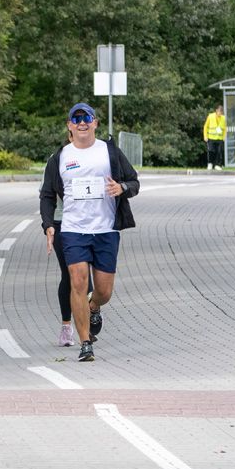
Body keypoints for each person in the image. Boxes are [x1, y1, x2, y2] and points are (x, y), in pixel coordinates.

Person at [40, 103, 140, 362]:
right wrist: (49, 223)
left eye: (87, 118)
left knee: (104, 291)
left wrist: (122, 188)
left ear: (95, 123)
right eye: (76, 118)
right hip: (73, 230)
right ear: (69, 125)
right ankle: (85, 343)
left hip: (105, 229)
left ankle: (93, 307)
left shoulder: (109, 152)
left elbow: (134, 181)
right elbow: (47, 194)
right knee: (77, 281)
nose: (82, 122)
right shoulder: (60, 156)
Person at [42, 129, 94, 348]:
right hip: (63, 223)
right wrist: (48, 226)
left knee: (91, 280)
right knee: (71, 275)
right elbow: (46, 195)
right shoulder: (57, 160)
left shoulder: (95, 159)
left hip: (91, 223)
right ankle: (67, 327)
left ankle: (92, 312)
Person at [203, 105, 226, 170]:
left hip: (219, 138)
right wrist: (205, 136)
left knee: (219, 152)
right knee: (211, 151)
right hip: (211, 137)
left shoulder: (223, 118)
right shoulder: (210, 116)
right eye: (219, 112)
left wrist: (224, 137)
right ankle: (210, 163)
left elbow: (224, 128)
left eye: (221, 112)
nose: (220, 114)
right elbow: (205, 126)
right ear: (216, 111)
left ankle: (217, 165)